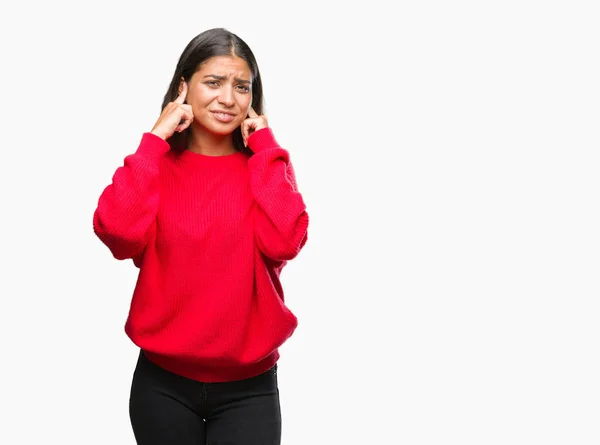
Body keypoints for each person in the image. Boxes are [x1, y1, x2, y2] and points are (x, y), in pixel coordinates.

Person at [92, 27, 309, 445]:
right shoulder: (154, 167)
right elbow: (116, 233)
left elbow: (286, 242)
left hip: (250, 388)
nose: (228, 98)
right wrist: (155, 139)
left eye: (241, 86)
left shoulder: (266, 169)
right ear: (183, 87)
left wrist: (265, 147)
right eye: (213, 82)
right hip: (163, 386)